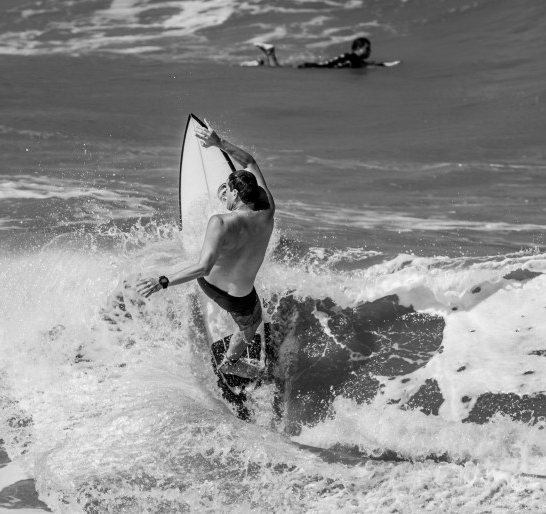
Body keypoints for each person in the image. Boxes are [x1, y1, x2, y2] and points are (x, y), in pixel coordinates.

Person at [136, 123, 275, 380]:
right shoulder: (268, 212)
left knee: (208, 258)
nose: (225, 196)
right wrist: (220, 143)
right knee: (251, 327)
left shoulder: (220, 222)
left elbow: (203, 267)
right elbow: (249, 161)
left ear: (234, 193)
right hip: (241, 298)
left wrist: (162, 281)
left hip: (209, 284)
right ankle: (231, 362)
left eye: (227, 191)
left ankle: (222, 342)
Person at [244, 37, 400, 68]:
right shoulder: (353, 59)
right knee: (277, 71)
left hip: (313, 66)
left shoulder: (350, 57)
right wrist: (386, 65)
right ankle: (269, 53)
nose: (369, 51)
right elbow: (367, 66)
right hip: (312, 69)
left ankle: (261, 62)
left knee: (280, 69)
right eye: (367, 48)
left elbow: (366, 64)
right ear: (358, 49)